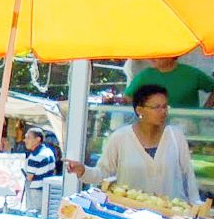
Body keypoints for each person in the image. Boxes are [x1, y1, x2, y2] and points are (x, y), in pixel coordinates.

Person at [65, 84, 201, 204]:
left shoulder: (175, 136)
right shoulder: (120, 137)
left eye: (165, 106)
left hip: (170, 217)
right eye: (156, 107)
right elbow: (102, 174)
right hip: (131, 216)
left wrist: (196, 206)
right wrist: (83, 170)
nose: (163, 112)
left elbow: (188, 175)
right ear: (139, 110)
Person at [125, 57, 214, 108]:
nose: (151, 58)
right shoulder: (145, 75)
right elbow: (128, 97)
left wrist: (205, 112)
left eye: (158, 54)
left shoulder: (191, 74)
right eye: (152, 54)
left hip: (186, 128)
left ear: (172, 55)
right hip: (154, 128)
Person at [22, 127, 58, 211]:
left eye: (28, 137)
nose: (25, 140)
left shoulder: (35, 156)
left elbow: (29, 177)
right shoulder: (48, 151)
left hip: (36, 192)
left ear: (38, 139)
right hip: (48, 190)